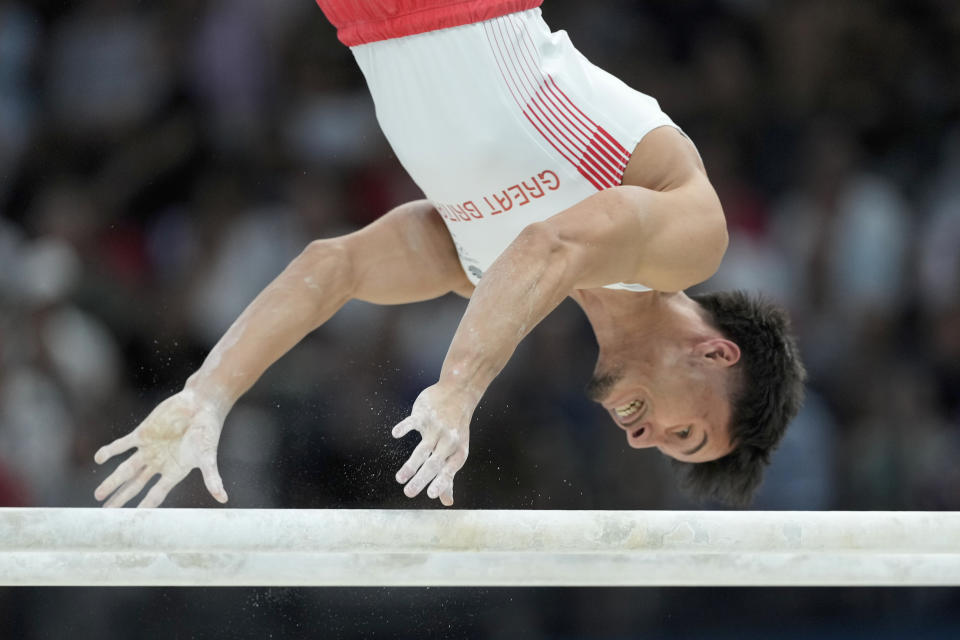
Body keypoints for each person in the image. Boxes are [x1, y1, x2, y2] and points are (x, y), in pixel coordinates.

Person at [93, 0, 805, 509]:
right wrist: (458, 389)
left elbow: (330, 268)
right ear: (715, 355)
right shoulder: (690, 242)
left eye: (666, 446)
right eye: (687, 431)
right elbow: (549, 242)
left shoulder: (480, 275)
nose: (644, 439)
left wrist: (209, 394)